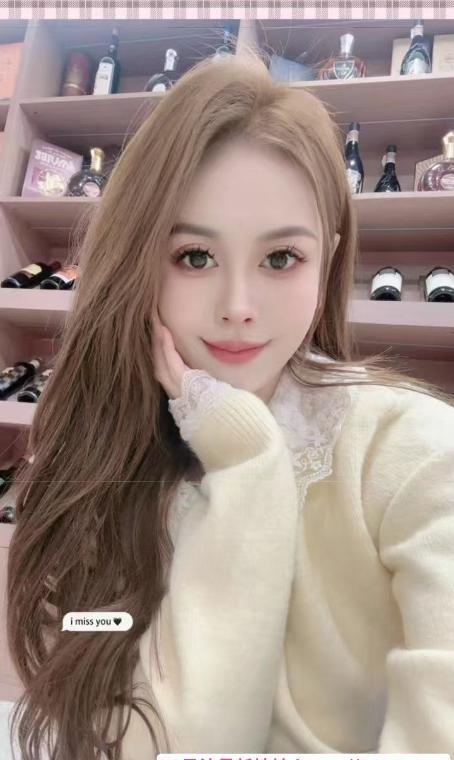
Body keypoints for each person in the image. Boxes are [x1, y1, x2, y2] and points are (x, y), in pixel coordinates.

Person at [5, 42, 454, 760]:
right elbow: (122, 691)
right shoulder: (100, 466)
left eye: (281, 258)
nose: (238, 305)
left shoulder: (417, 452)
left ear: (327, 259)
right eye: (194, 256)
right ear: (136, 261)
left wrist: (244, 461)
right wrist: (247, 469)